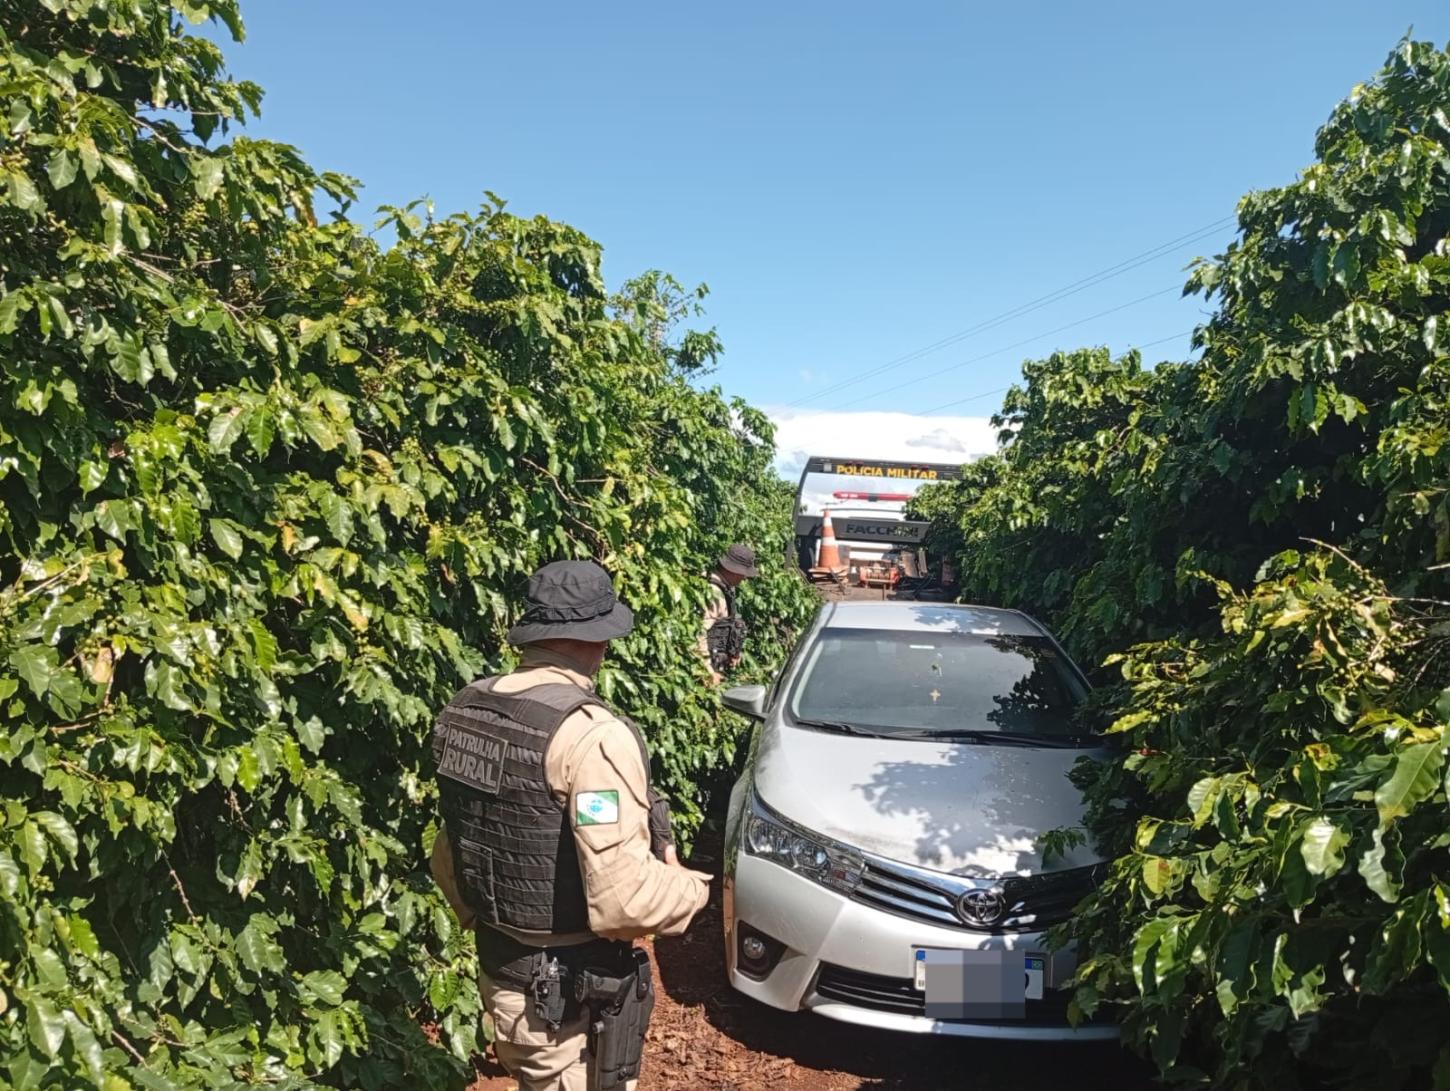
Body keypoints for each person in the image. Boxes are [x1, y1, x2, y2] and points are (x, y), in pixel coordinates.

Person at [429, 560, 710, 1091]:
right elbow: (625, 901)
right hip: (564, 1001)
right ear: (600, 641)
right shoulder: (591, 736)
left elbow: (450, 852)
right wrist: (692, 890)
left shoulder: (467, 708)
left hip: (503, 977)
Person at [698, 543, 758, 687]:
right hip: (706, 670)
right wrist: (707, 672)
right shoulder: (714, 592)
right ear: (734, 570)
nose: (744, 578)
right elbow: (699, 634)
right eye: (742, 573)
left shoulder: (724, 588)